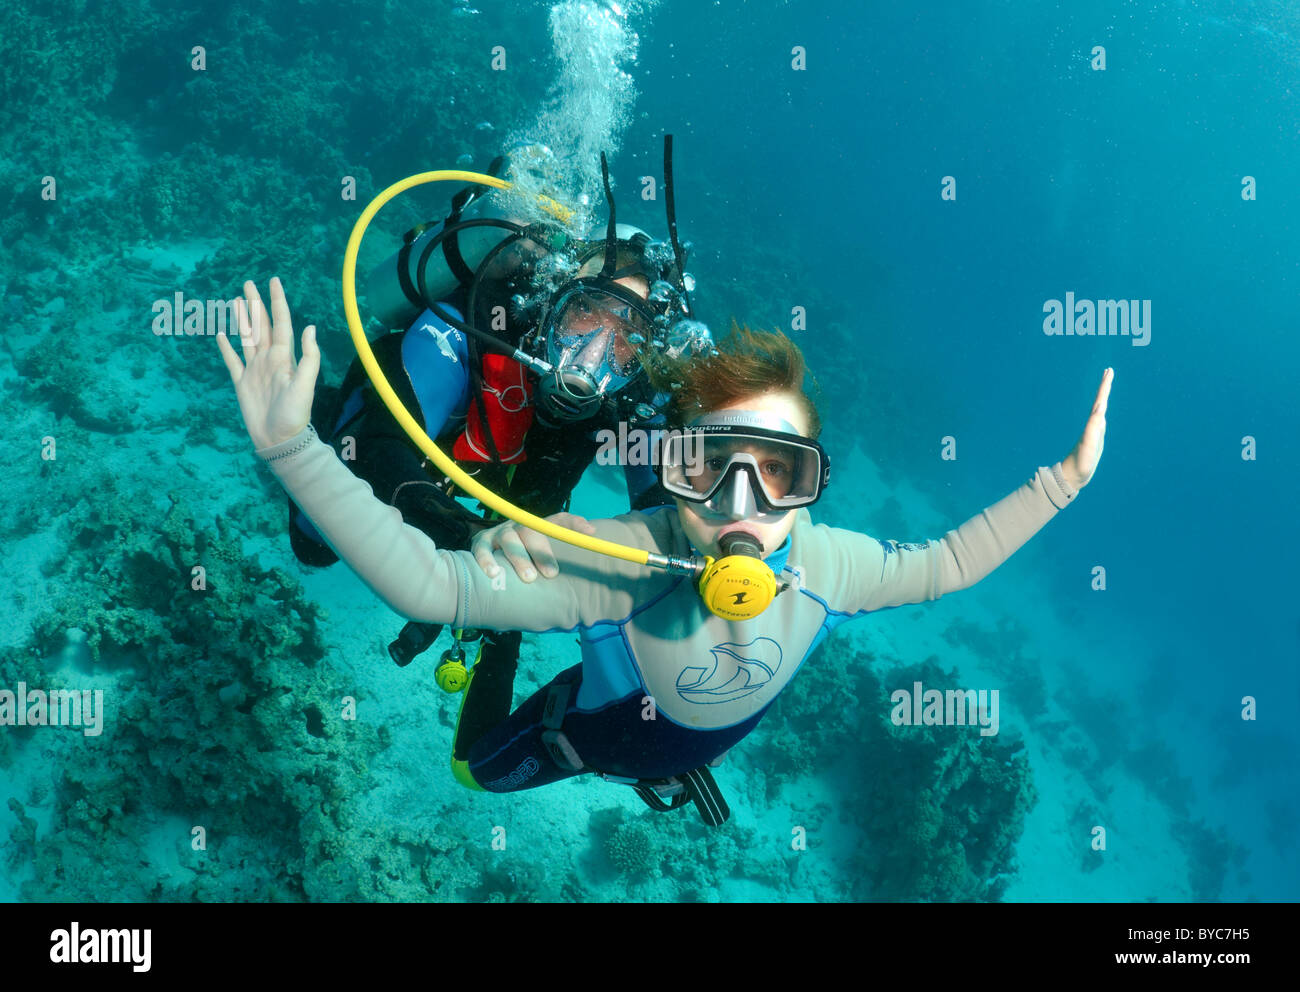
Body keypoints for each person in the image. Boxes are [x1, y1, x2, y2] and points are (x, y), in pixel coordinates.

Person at [219, 278, 1112, 825]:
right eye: (712, 468)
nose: (742, 507)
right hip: (591, 736)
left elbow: (949, 563)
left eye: (780, 474)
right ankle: (509, 641)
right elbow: (428, 581)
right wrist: (295, 449)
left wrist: (1062, 483)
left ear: (815, 485)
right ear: (669, 473)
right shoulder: (615, 564)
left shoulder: (833, 565)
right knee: (471, 770)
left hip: (697, 742)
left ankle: (671, 768)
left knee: (672, 746)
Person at [287, 142, 713, 771]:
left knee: (512, 574)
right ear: (550, 302)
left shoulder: (628, 403)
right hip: (412, 457)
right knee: (313, 543)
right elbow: (381, 454)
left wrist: (672, 719)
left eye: (625, 340)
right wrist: (469, 535)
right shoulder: (467, 330)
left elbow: (668, 524)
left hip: (499, 500)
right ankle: (321, 411)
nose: (592, 356)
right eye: (584, 316)